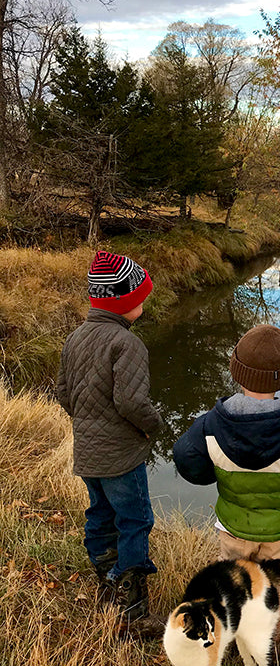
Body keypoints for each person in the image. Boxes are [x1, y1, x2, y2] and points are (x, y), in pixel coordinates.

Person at [172, 323, 280, 638]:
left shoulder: (209, 427)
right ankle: (267, 648)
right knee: (275, 591)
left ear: (237, 371)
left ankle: (231, 638)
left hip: (234, 527)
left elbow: (185, 458)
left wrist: (215, 474)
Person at [56, 250, 163, 631]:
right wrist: (155, 424)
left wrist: (88, 423)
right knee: (135, 520)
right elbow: (131, 402)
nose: (145, 304)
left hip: (87, 452)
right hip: (120, 456)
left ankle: (106, 579)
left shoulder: (75, 338)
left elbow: (64, 395)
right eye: (141, 298)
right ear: (125, 301)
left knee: (100, 514)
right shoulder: (126, 344)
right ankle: (133, 609)